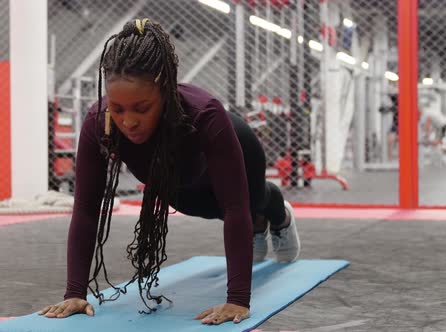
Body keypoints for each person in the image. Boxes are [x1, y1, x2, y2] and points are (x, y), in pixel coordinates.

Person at [37, 18, 300, 326]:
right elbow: (85, 209)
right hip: (180, 173)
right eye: (119, 109)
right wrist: (75, 292)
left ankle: (277, 216)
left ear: (164, 91)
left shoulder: (206, 114)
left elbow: (234, 206)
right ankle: (256, 227)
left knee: (249, 202)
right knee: (195, 205)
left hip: (239, 150)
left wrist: (237, 300)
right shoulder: (100, 122)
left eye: (142, 108)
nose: (129, 121)